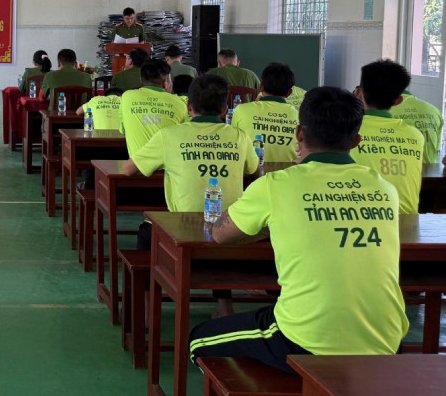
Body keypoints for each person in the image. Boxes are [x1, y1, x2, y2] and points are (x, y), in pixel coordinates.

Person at [190, 87, 408, 373]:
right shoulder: (384, 188)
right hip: (387, 339)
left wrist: (268, 227)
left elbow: (219, 234)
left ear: (299, 134)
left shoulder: (276, 184)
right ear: (356, 141)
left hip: (305, 340)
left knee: (197, 341)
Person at [123, 75, 257, 316]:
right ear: (226, 108)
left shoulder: (169, 136)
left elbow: (129, 170)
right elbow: (253, 169)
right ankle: (224, 305)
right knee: (220, 231)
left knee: (146, 233)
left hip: (181, 235)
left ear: (188, 106)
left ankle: (146, 307)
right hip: (231, 233)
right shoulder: (239, 136)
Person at [351, 60, 424, 215]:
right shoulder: (415, 136)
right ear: (398, 101)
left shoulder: (346, 130)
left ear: (358, 93)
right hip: (406, 223)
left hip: (360, 219)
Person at [231, 63, 299, 162]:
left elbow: (235, 144)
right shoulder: (299, 116)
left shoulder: (241, 110)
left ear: (261, 87)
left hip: (252, 175)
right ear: (289, 93)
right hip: (288, 174)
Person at [119, 59, 188, 156]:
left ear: (141, 79)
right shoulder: (180, 103)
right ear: (166, 82)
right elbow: (185, 137)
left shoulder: (126, 97)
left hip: (136, 167)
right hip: (169, 168)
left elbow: (122, 130)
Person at [391, 90, 444, 163]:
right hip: (429, 171)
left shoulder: (386, 111)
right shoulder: (435, 111)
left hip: (397, 170)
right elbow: (437, 150)